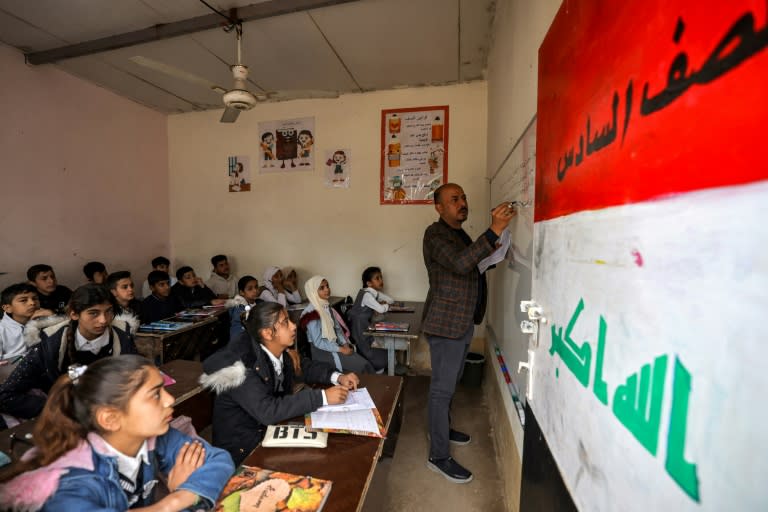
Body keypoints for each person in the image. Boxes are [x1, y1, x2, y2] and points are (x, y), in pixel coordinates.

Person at [0, 355, 234, 510]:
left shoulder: (152, 435)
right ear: (110, 418)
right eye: (155, 394)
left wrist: (183, 493)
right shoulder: (69, 485)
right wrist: (173, 501)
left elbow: (219, 459)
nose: (170, 400)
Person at [422, 183, 514, 484]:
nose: (462, 203)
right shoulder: (434, 234)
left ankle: (444, 429)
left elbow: (470, 265)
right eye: (454, 199)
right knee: (441, 391)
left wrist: (492, 252)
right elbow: (462, 264)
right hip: (445, 324)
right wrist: (493, 232)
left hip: (461, 322)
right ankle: (438, 455)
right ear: (439, 207)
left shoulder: (459, 235)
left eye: (463, 197)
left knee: (450, 383)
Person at [201, 301, 359, 465]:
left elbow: (303, 366)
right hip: (242, 450)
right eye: (285, 323)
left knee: (328, 451)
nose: (293, 326)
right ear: (268, 333)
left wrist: (336, 377)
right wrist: (322, 397)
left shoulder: (274, 349)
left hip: (266, 430)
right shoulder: (240, 368)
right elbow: (267, 410)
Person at [0, 284, 138, 421]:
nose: (103, 320)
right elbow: (5, 395)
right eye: (93, 313)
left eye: (109, 311)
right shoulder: (51, 345)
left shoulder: (123, 338)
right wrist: (62, 409)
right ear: (74, 314)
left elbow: (137, 380)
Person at [299, 276, 374, 374]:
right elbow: (318, 342)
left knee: (363, 363)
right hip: (323, 352)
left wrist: (345, 343)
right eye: (322, 288)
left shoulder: (326, 306)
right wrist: (341, 349)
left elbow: (337, 329)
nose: (327, 289)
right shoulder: (310, 314)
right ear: (313, 292)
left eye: (327, 286)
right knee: (362, 366)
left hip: (335, 345)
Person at [346, 267, 395, 373]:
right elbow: (381, 309)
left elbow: (391, 300)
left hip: (365, 326)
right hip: (359, 328)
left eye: (381, 277)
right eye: (377, 278)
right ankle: (373, 371)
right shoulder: (367, 295)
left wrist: (383, 303)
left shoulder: (373, 292)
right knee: (369, 351)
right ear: (369, 283)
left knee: (378, 350)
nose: (381, 281)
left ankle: (380, 368)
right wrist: (383, 305)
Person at [1, 283, 56, 361]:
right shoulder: (1, 330)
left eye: (35, 298)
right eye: (23, 300)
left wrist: (54, 319)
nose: (32, 303)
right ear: (7, 308)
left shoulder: (46, 318)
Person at [225, 275, 264, 340]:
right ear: (242, 292)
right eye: (250, 289)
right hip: (242, 340)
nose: (255, 290)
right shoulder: (239, 308)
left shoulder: (260, 302)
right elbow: (239, 332)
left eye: (256, 287)